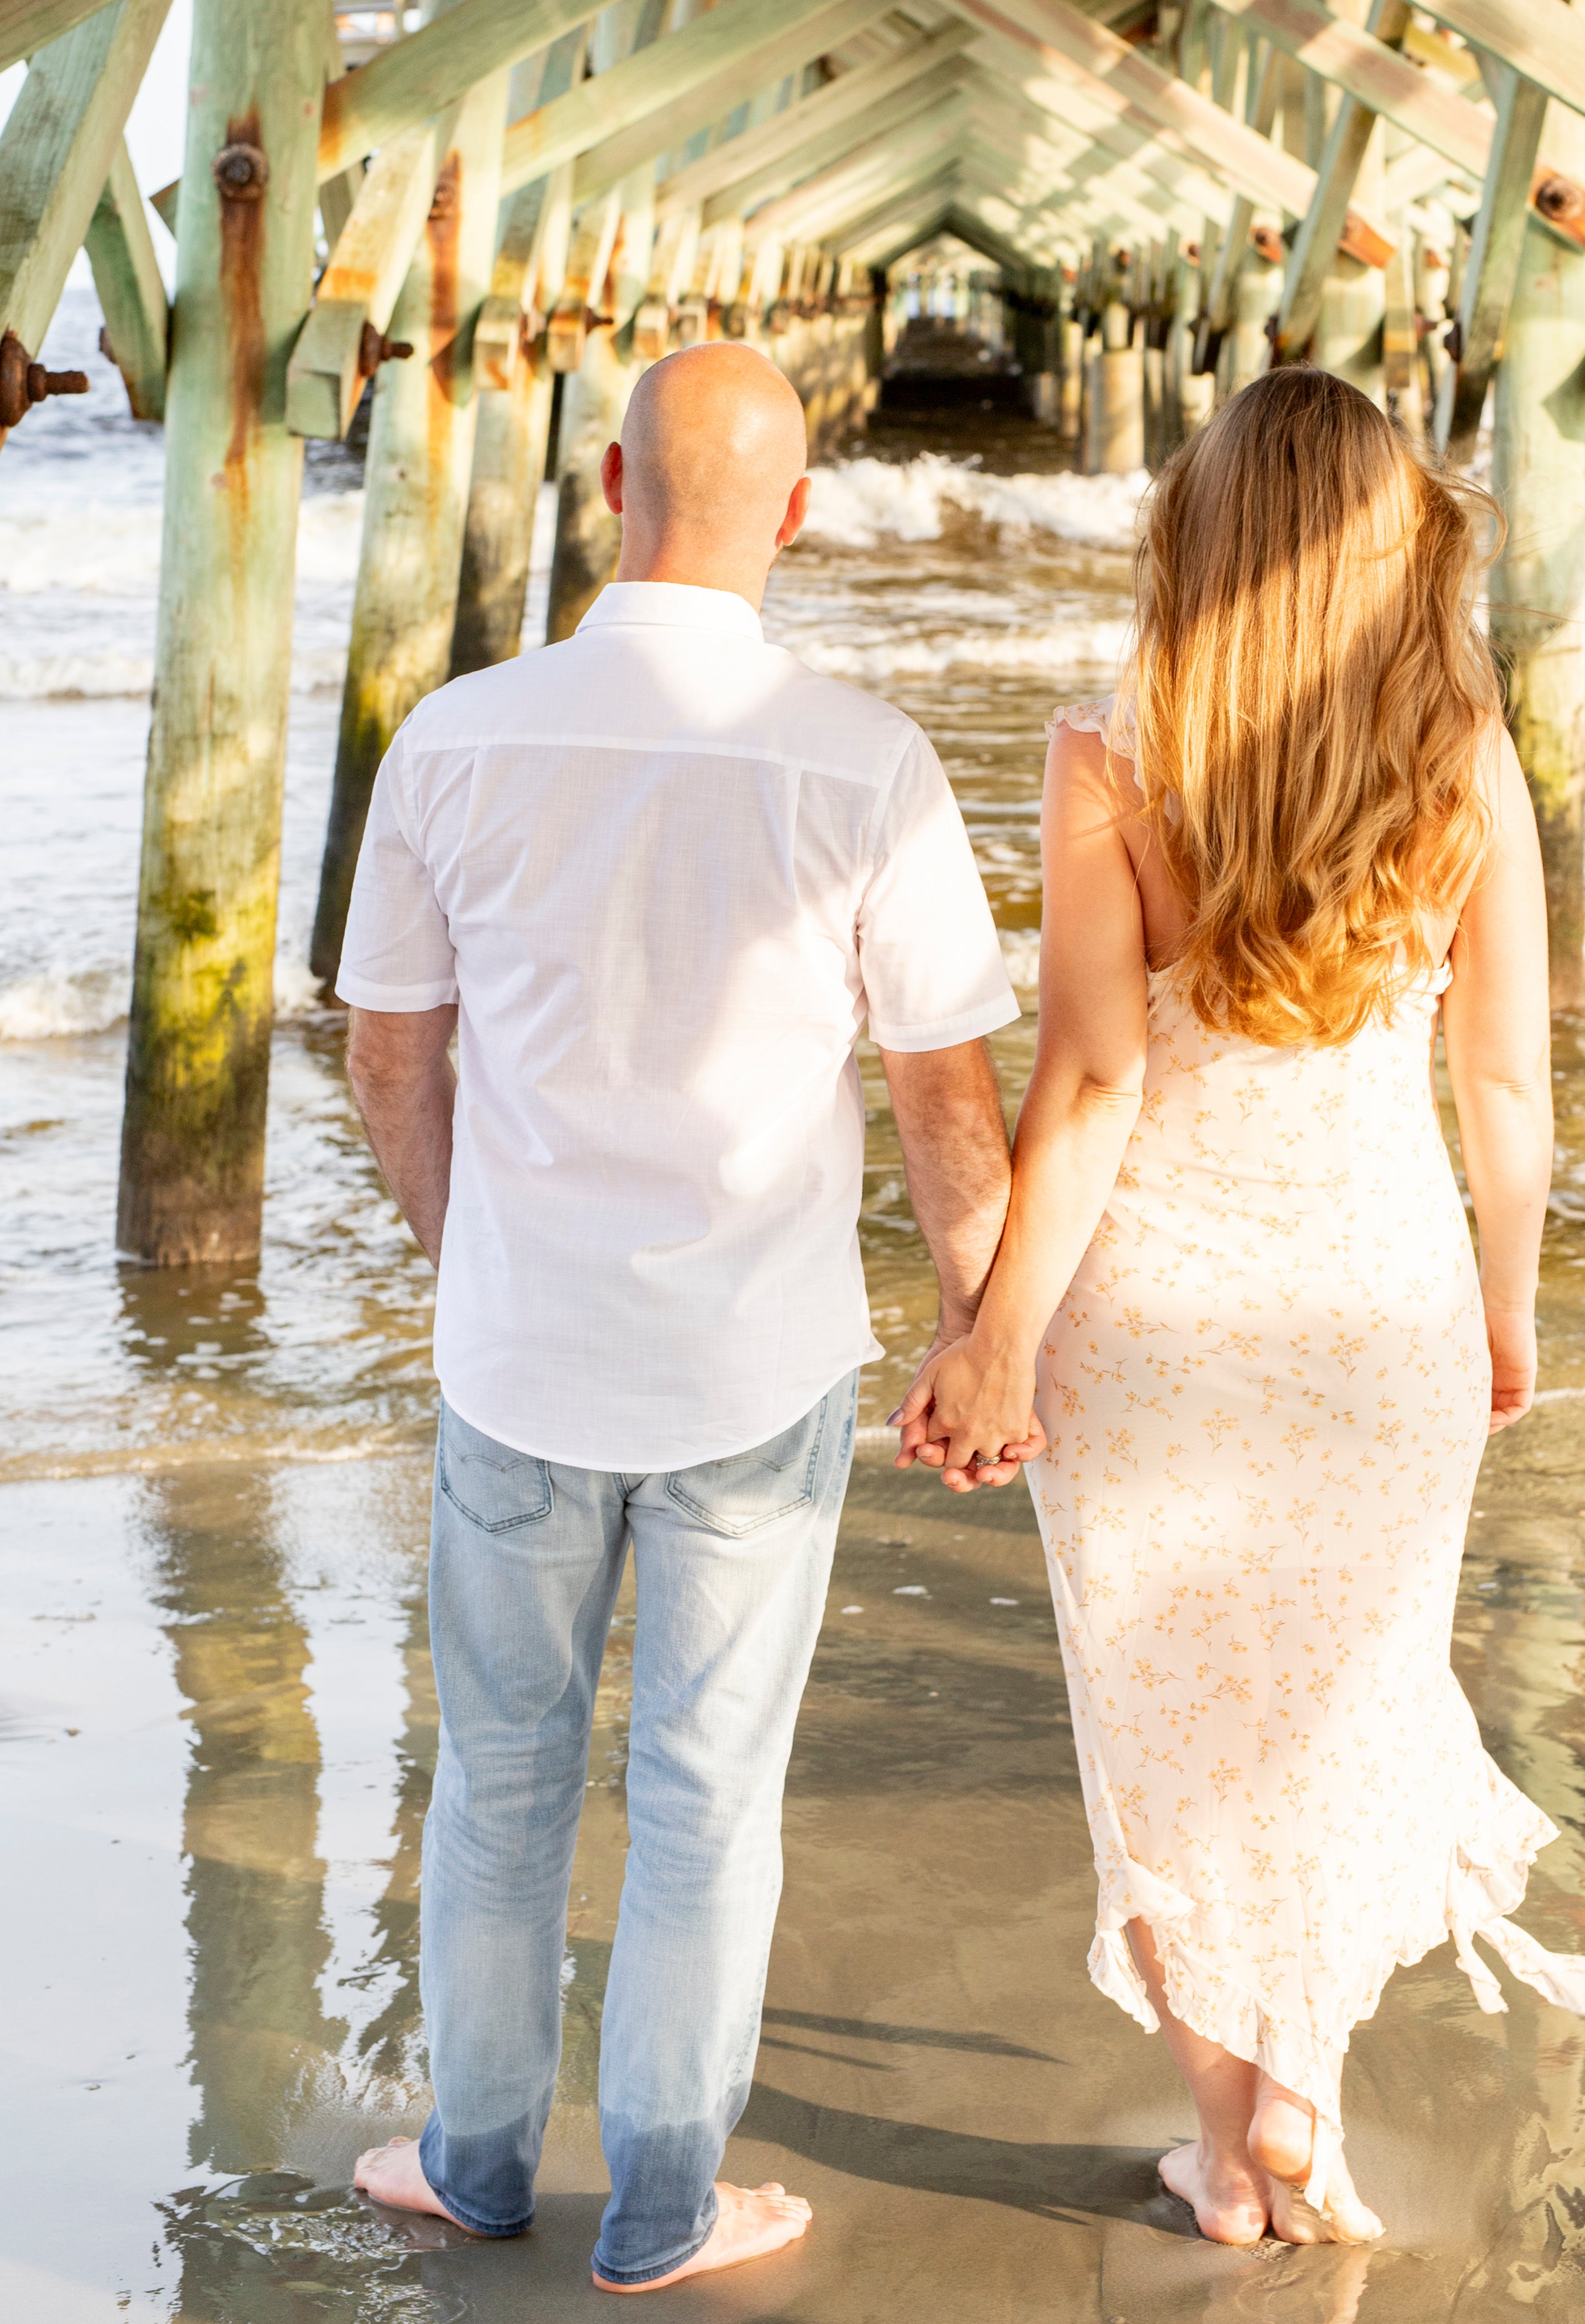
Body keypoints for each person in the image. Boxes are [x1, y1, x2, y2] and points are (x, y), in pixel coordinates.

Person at [338, 342, 1025, 2293]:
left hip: (521, 1360)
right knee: (710, 1801)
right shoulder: (864, 759)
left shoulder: (459, 736)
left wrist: (471, 1253)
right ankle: (659, 2210)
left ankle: (474, 2165)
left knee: (500, 1780)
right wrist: (989, 1340)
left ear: (608, 492)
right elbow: (944, 1104)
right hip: (753, 1368)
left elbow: (396, 1058)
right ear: (797, 517)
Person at [897, 367, 1585, 2246]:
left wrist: (999, 1336)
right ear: (1399, 548)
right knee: (1338, 1705)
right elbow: (1509, 1093)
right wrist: (1506, 1306)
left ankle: (1232, 2144)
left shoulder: (1111, 757)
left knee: (1170, 1729)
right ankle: (1310, 2093)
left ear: (1196, 539)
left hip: (1153, 1318)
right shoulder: (1464, 759)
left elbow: (1092, 1085)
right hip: (1385, 1306)